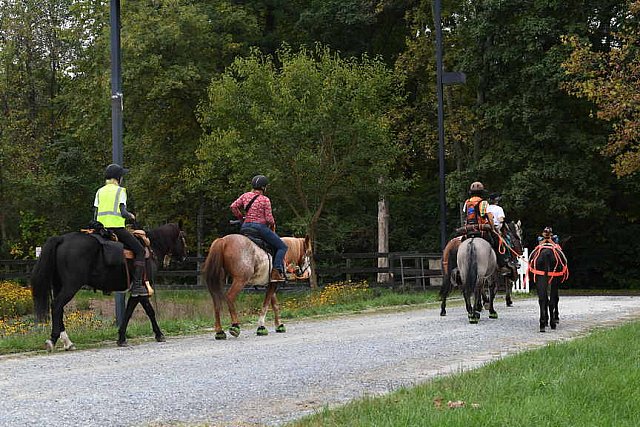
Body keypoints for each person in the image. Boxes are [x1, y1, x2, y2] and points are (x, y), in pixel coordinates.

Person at [94, 163, 147, 296]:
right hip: (116, 228)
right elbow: (123, 212)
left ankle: (106, 285)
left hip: (101, 229)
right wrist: (131, 216)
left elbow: (95, 214)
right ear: (118, 178)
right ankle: (137, 286)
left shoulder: (100, 191)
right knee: (140, 250)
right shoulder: (120, 191)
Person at [230, 175, 288, 282]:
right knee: (282, 247)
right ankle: (276, 272)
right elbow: (269, 219)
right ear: (263, 187)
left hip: (245, 227)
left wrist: (240, 218)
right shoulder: (265, 200)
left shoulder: (245, 195)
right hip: (259, 228)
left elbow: (233, 206)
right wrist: (272, 225)